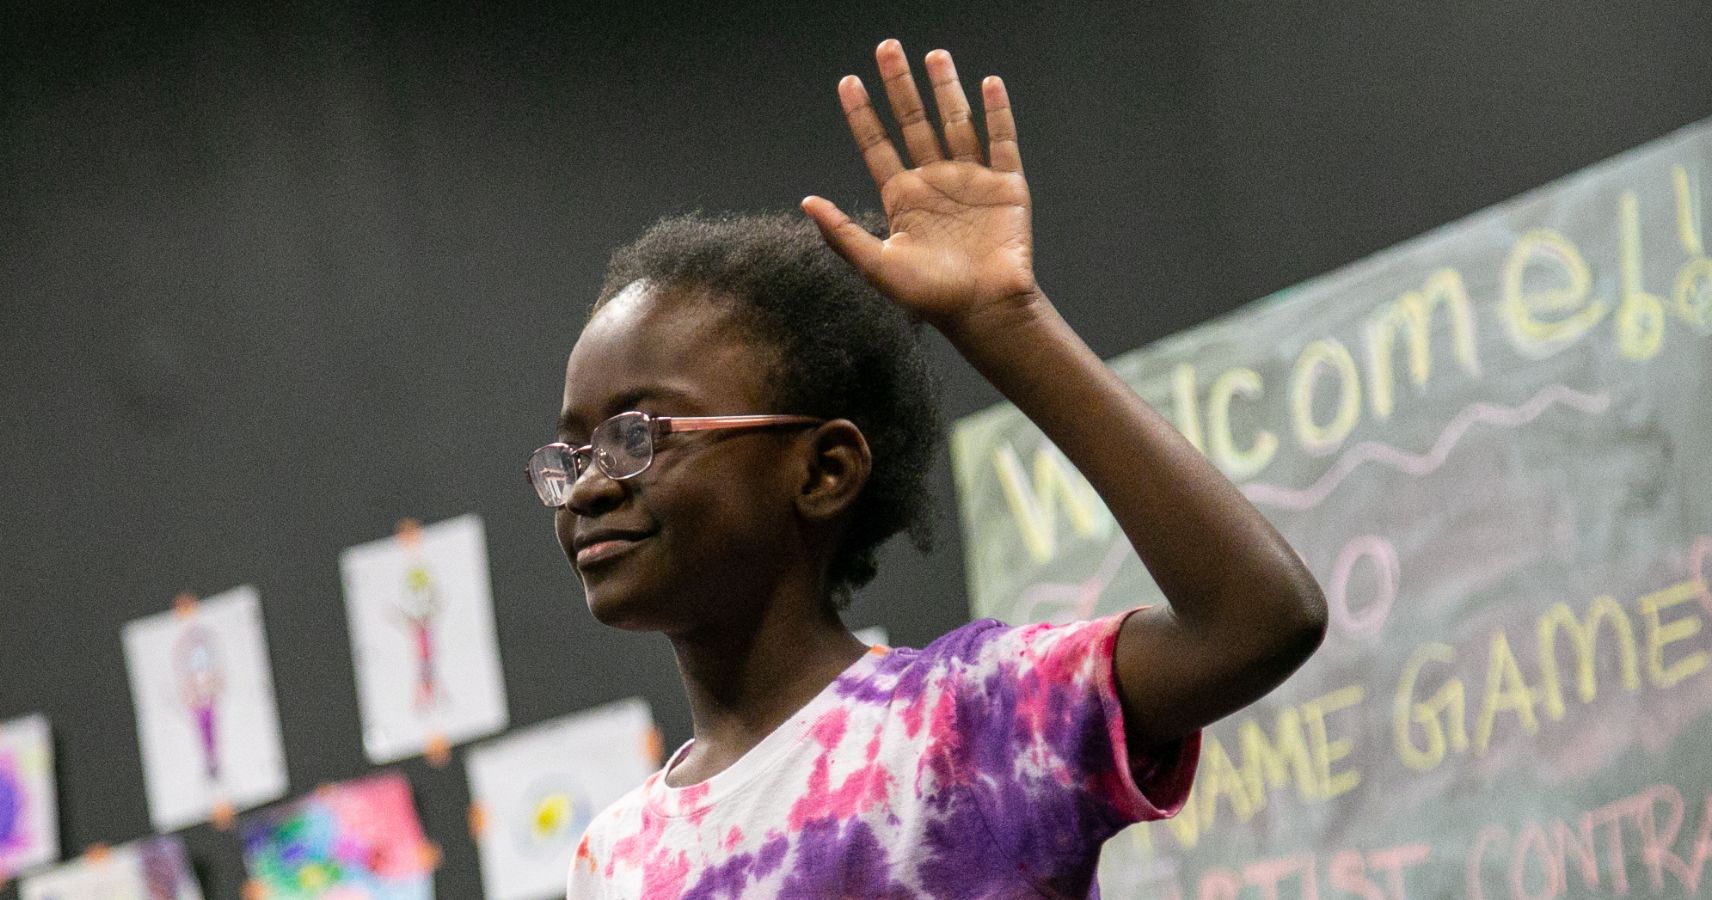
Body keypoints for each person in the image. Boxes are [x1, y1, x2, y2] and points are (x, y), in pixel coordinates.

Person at [529, 40, 1328, 899]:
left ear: (824, 470)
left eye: (636, 434)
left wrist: (1006, 322)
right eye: (570, 453)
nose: (589, 485)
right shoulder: (613, 859)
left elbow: (1258, 620)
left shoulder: (969, 723)